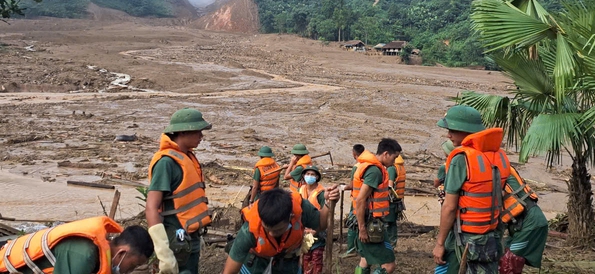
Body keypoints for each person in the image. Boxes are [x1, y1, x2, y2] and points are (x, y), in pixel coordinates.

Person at [432, 105, 510, 274]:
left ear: (464, 130)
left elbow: (449, 206)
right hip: (493, 236)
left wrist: (439, 244)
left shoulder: (461, 159)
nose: (448, 135)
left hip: (467, 238)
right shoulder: (500, 156)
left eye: (452, 130)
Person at [146, 108, 212, 274]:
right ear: (183, 132)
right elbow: (151, 207)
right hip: (175, 238)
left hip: (190, 238)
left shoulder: (188, 157)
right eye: (198, 132)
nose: (201, 137)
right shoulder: (166, 163)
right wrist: (163, 252)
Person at [222, 186, 340, 274]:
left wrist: (328, 204)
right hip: (256, 264)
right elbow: (229, 271)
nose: (271, 234)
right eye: (267, 229)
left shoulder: (301, 209)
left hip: (289, 263)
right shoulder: (250, 230)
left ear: (290, 217)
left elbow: (320, 224)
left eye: (277, 230)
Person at [0, 216, 153, 274]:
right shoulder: (84, 255)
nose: (129, 272)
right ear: (121, 253)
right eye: (132, 266)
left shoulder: (99, 254)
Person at [353, 138, 403, 274]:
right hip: (370, 224)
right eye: (394, 157)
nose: (394, 161)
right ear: (386, 154)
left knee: (365, 259)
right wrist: (362, 228)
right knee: (389, 265)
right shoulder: (375, 171)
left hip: (366, 220)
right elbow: (360, 200)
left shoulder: (368, 166)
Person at [499, 166, 548, 274]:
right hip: (525, 222)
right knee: (502, 252)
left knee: (509, 264)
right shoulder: (504, 167)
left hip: (531, 224)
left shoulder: (496, 174)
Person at [298, 166, 327, 274]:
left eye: (312, 174)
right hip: (303, 230)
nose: (309, 176)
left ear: (317, 177)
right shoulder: (301, 190)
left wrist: (317, 230)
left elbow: (326, 213)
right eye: (307, 174)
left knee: (316, 259)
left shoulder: (321, 194)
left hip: (317, 229)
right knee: (304, 259)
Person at [342, 144, 365, 257]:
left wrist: (343, 187)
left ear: (354, 154)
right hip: (367, 201)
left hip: (356, 201)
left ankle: (351, 249)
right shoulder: (368, 165)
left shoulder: (357, 167)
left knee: (352, 224)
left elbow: (352, 185)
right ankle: (360, 249)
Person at [384, 155, 406, 249]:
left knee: (387, 223)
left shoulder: (392, 169)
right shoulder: (401, 168)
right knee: (392, 224)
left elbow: (390, 186)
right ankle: (392, 244)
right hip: (398, 200)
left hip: (391, 201)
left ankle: (388, 246)